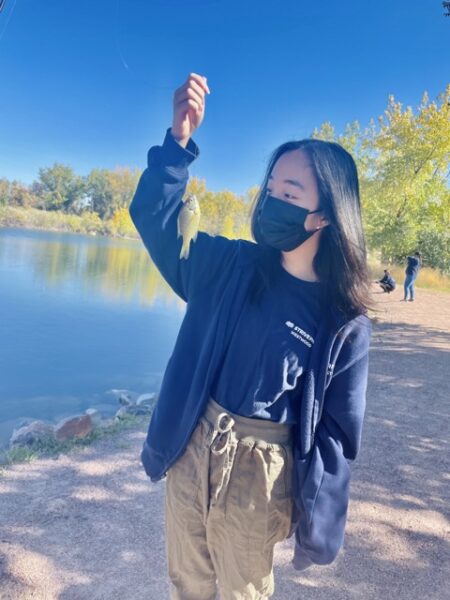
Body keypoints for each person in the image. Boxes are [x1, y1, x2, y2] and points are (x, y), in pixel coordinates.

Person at [129, 72, 373, 600]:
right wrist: (177, 145)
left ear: (325, 216)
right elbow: (156, 219)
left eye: (290, 192)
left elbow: (337, 434)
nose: (272, 201)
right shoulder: (227, 265)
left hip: (259, 476)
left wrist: (316, 524)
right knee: (187, 583)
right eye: (270, 189)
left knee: (243, 592)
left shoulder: (343, 323)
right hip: (192, 450)